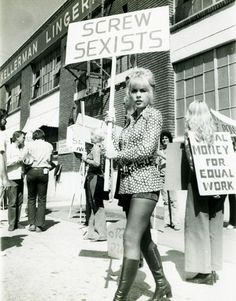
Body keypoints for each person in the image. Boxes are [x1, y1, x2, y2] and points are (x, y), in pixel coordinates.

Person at [106, 68, 172, 301]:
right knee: (143, 240)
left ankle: (120, 297)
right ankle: (163, 285)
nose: (138, 95)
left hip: (145, 182)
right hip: (128, 185)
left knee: (130, 237)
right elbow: (118, 148)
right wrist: (112, 128)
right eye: (134, 91)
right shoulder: (132, 119)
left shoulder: (154, 115)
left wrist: (117, 155)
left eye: (143, 90)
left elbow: (145, 149)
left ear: (151, 92)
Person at [184, 99, 226, 285]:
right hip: (219, 183)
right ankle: (214, 267)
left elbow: (192, 165)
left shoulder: (190, 136)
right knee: (215, 227)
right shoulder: (218, 134)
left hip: (200, 185)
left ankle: (204, 271)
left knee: (197, 227)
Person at [25, 129, 53, 232]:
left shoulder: (30, 145)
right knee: (42, 199)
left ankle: (31, 224)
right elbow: (50, 159)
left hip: (32, 171)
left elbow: (25, 158)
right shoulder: (49, 145)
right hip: (43, 171)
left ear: (34, 136)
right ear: (43, 136)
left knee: (31, 198)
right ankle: (39, 225)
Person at [82, 128, 107, 241]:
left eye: (92, 135)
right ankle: (92, 231)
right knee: (93, 204)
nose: (91, 137)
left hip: (95, 177)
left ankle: (101, 232)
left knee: (96, 204)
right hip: (94, 177)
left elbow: (96, 163)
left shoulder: (96, 148)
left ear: (97, 137)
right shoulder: (99, 148)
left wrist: (85, 159)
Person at [159, 130, 180, 230]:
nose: (164, 140)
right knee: (165, 201)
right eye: (163, 138)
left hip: (171, 176)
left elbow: (173, 161)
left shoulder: (174, 149)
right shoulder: (161, 150)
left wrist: (161, 155)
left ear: (169, 139)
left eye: (166, 138)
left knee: (173, 201)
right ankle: (167, 221)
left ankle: (175, 222)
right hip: (162, 177)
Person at [6, 131, 26, 231]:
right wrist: (17, 160)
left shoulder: (21, 149)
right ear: (17, 138)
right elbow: (5, 163)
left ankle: (17, 223)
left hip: (20, 177)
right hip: (12, 178)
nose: (24, 138)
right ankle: (11, 224)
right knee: (12, 202)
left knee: (20, 201)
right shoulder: (9, 148)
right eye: (23, 137)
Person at [0, 109, 10, 210]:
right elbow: (1, 156)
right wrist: (4, 177)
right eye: (4, 119)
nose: (5, 121)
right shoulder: (1, 134)